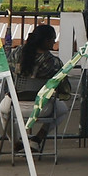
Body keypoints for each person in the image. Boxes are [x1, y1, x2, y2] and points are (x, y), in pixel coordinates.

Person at [13, 23, 70, 151]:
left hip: (15, 106)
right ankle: (37, 139)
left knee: (3, 111)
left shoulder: (16, 53)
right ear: (45, 40)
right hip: (42, 108)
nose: (54, 43)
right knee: (62, 110)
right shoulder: (54, 62)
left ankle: (15, 141)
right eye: (52, 40)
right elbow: (63, 87)